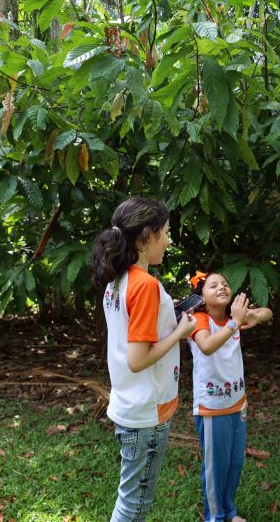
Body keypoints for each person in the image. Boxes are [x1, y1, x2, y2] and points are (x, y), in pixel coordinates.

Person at [89, 197, 197, 522]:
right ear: (147, 235)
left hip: (129, 404)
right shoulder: (146, 286)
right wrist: (180, 332)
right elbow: (138, 359)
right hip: (147, 413)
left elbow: (132, 332)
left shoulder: (119, 280)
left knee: (131, 498)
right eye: (165, 232)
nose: (168, 240)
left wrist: (170, 313)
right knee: (135, 505)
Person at [187, 271, 273, 522]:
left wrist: (254, 316)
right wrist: (235, 323)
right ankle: (214, 516)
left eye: (225, 283)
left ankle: (229, 511)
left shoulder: (232, 318)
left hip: (237, 403)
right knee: (216, 468)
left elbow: (267, 311)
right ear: (200, 296)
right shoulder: (199, 320)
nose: (222, 287)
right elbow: (207, 345)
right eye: (213, 285)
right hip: (212, 406)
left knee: (235, 462)